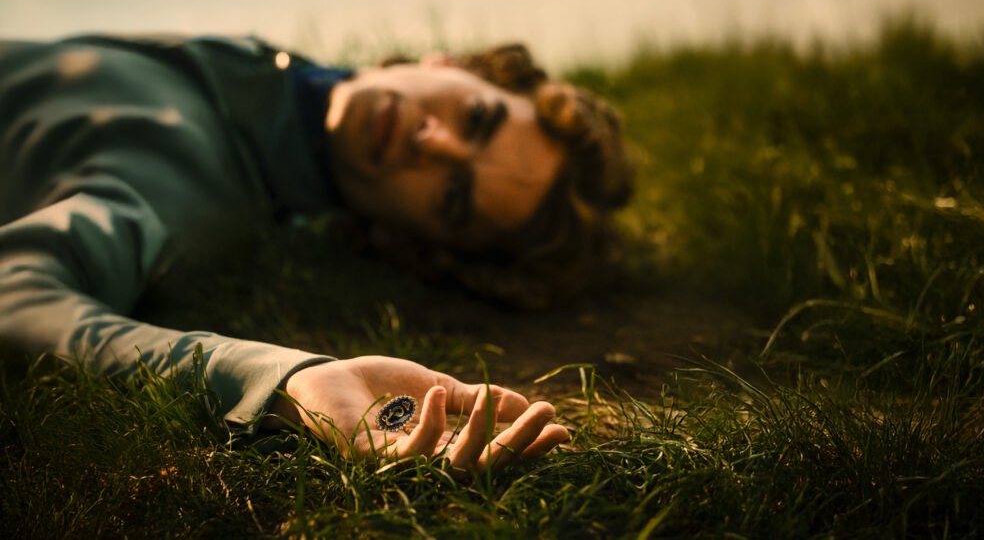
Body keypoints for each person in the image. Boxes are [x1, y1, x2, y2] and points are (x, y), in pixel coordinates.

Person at [0, 34, 632, 473]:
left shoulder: (192, 195)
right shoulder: (272, 79)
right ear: (452, 65)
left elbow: (17, 296)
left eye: (452, 197)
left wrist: (281, 379)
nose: (432, 141)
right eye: (475, 116)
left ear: (408, 240)